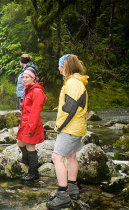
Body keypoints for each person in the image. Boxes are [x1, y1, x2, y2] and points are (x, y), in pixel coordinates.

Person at [46, 54, 89, 209]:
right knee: (71, 156)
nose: (58, 69)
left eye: (59, 66)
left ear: (65, 66)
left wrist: (60, 126)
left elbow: (69, 108)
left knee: (57, 157)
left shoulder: (72, 83)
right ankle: (72, 188)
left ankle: (63, 194)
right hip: (77, 127)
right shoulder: (78, 82)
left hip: (70, 128)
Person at [16, 67, 46, 181]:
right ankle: (26, 160)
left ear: (33, 79)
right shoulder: (28, 90)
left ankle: (33, 173)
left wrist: (31, 127)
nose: (24, 79)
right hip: (24, 122)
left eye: (27, 77)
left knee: (30, 145)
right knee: (20, 142)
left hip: (31, 124)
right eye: (23, 77)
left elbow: (35, 112)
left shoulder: (37, 92)